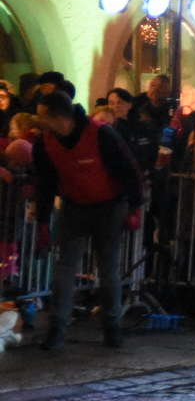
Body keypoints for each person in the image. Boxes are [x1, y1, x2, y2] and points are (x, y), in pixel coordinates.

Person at [31, 90, 145, 348]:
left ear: (59, 116)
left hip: (109, 207)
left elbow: (129, 169)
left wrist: (134, 207)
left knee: (108, 270)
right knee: (65, 268)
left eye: (41, 115)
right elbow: (46, 183)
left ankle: (111, 326)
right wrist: (43, 222)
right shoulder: (45, 142)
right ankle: (57, 328)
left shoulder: (101, 134)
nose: (38, 120)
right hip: (73, 207)